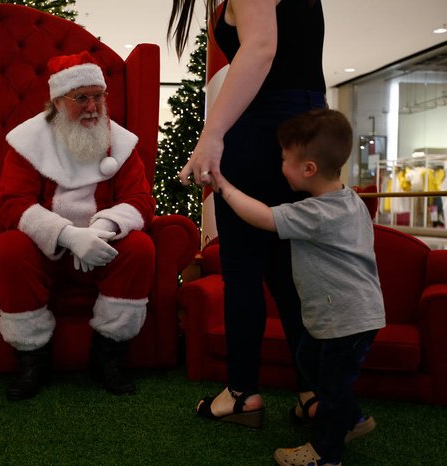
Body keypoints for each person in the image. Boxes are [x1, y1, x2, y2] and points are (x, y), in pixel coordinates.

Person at [168, 0, 327, 427]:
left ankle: (241, 393)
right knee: (290, 269)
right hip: (308, 125)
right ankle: (314, 393)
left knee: (244, 269)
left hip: (264, 125)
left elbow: (259, 47)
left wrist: (212, 135)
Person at [212, 108, 386, 466]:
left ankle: (326, 454)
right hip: (349, 315)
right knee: (309, 360)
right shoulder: (349, 199)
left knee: (333, 384)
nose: (279, 166)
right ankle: (351, 418)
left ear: (308, 169)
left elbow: (263, 217)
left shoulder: (315, 214)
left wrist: (223, 186)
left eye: (284, 159)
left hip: (347, 319)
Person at [0, 51, 156, 400]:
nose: (93, 107)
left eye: (99, 96)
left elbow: (141, 200)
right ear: (57, 101)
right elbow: (12, 203)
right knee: (9, 247)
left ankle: (107, 355)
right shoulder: (27, 142)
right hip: (46, 254)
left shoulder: (121, 143)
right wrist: (68, 235)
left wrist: (102, 229)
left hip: (103, 249)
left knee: (141, 246)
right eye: (81, 97)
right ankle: (32, 358)